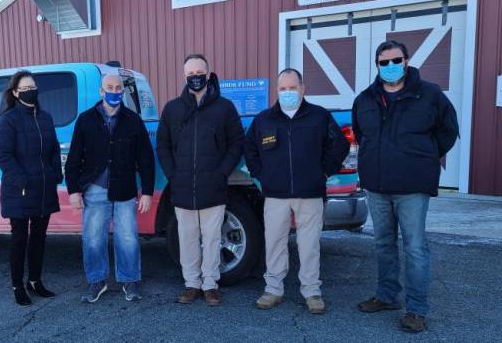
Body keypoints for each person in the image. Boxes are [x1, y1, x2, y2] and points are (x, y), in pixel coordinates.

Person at [352, 40, 459, 333]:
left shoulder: (430, 95)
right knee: (383, 244)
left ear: (406, 61)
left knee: (414, 248)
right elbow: (362, 135)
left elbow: (448, 131)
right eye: (383, 63)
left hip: (412, 187)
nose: (389, 67)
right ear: (377, 66)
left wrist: (422, 158)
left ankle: (416, 309)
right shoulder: (365, 100)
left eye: (394, 60)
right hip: (377, 186)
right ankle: (387, 296)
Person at [244, 68, 349, 314]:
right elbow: (249, 149)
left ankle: (312, 292)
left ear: (303, 88)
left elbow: (340, 145)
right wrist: (262, 175)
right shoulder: (264, 119)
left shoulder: (319, 117)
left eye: (292, 88)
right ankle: (273, 289)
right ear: (277, 91)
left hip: (310, 193)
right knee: (275, 242)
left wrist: (323, 172)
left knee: (309, 244)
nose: (287, 92)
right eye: (283, 88)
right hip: (275, 194)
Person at [156, 54, 244, 306]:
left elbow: (236, 143)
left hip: (213, 188)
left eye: (199, 71)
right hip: (182, 188)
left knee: (213, 238)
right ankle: (191, 284)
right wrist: (173, 174)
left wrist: (222, 173)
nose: (195, 76)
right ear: (184, 76)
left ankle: (210, 285)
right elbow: (163, 145)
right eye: (190, 72)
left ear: (208, 73)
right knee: (187, 239)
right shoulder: (172, 108)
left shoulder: (224, 108)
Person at [65, 74, 155, 303]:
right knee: (93, 238)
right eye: (109, 87)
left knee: (128, 237)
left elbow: (145, 158)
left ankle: (130, 281)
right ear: (101, 91)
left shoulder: (133, 120)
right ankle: (97, 281)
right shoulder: (85, 120)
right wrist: (73, 190)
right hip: (94, 189)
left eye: (118, 88)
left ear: (122, 91)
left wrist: (147, 191)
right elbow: (74, 158)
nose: (114, 91)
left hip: (124, 188)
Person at [0, 70, 62, 306]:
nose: (30, 92)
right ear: (15, 93)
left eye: (32, 87)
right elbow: (3, 156)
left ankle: (35, 280)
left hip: (43, 188)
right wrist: (22, 180)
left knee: (39, 239)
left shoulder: (45, 118)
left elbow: (54, 149)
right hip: (20, 190)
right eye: (24, 89)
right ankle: (18, 285)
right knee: (20, 239)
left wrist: (55, 173)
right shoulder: (9, 119)